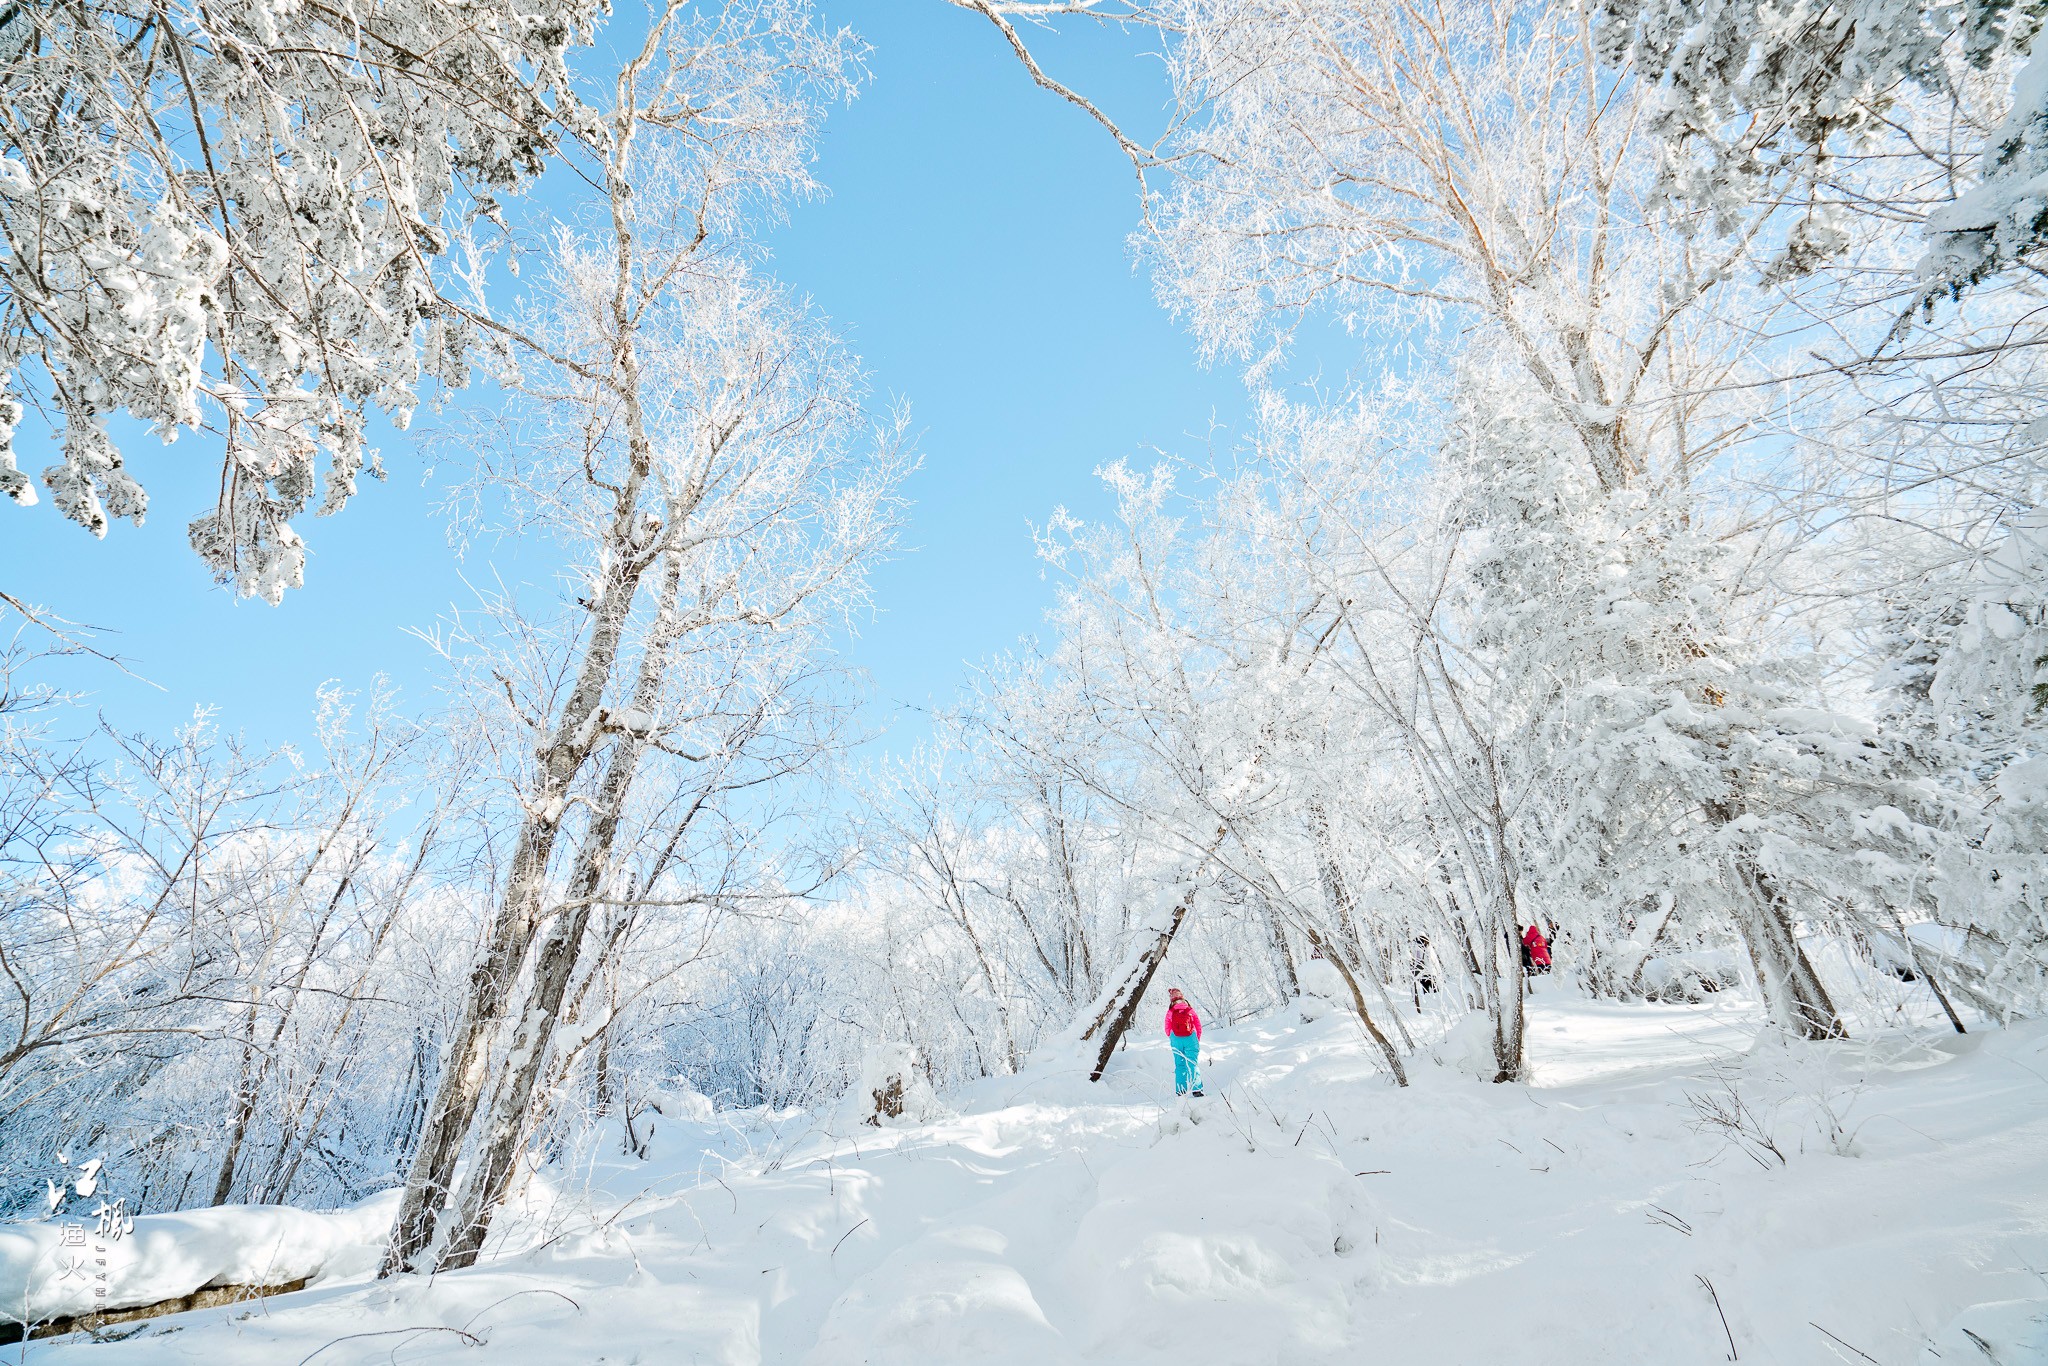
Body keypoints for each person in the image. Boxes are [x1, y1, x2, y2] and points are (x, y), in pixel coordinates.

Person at [1164, 987, 1203, 1097]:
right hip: (1191, 1038)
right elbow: (1198, 1025)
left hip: (1176, 1040)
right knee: (1193, 1064)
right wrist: (1197, 1038)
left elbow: (1167, 1027)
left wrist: (1172, 1037)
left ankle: (1181, 1090)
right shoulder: (1190, 1010)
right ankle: (1197, 1089)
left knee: (1180, 1065)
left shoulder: (1171, 1011)